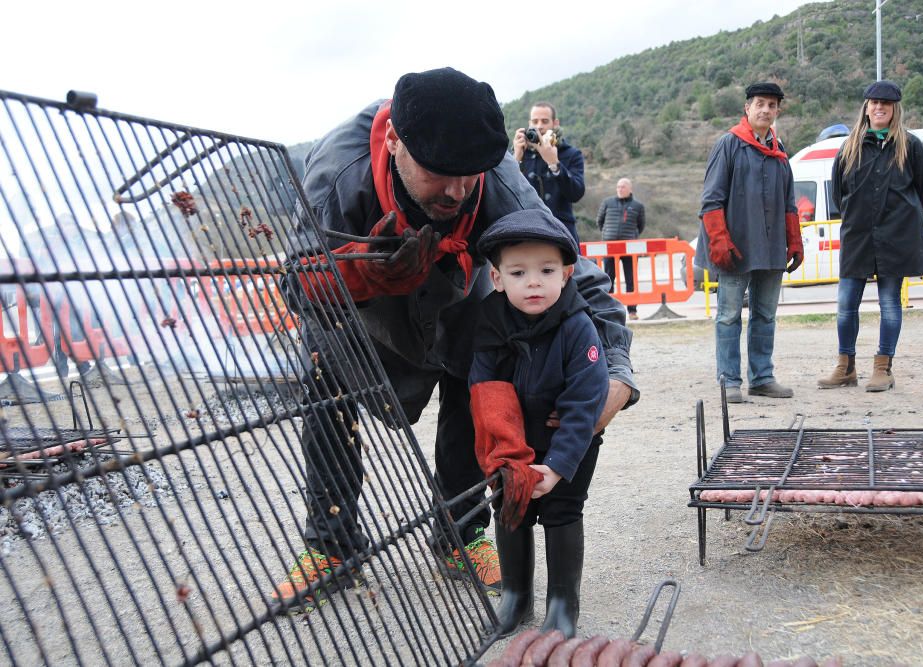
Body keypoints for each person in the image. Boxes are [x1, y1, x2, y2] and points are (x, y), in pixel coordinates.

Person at [275, 67, 638, 613]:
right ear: (395, 141)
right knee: (328, 390)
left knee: (479, 390)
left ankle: (460, 534)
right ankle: (333, 546)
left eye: (469, 175)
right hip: (357, 318)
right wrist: (366, 273)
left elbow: (572, 269)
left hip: (457, 303)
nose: (457, 190)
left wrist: (616, 369)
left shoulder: (495, 176)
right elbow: (296, 282)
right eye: (440, 174)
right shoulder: (339, 171)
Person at [471, 208, 608, 639]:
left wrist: (559, 463)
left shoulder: (577, 326)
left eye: (546, 270)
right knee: (511, 506)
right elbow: (485, 387)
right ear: (497, 279)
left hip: (568, 437)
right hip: (514, 439)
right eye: (518, 272)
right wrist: (504, 454)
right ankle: (515, 597)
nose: (533, 281)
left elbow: (586, 399)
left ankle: (563, 604)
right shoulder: (491, 322)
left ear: (567, 274)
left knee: (563, 508)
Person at [818, 80, 923, 392]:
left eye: (886, 103)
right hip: (857, 238)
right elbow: (838, 194)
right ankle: (845, 367)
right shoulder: (849, 147)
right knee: (845, 306)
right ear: (866, 107)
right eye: (874, 102)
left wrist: (897, 215)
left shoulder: (912, 147)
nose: (879, 107)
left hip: (896, 238)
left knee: (890, 304)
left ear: (895, 109)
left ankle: (884, 368)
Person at [694, 82, 803, 404]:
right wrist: (719, 241)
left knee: (765, 315)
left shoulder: (780, 152)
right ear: (747, 108)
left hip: (770, 248)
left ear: (777, 111)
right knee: (728, 315)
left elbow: (789, 203)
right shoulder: (728, 145)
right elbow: (711, 200)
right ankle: (729, 380)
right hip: (735, 247)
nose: (766, 110)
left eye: (772, 105)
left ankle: (762, 378)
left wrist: (794, 241)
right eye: (760, 104)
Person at [512, 103, 586, 246]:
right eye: (535, 121)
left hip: (562, 233)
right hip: (526, 233)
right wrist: (516, 159)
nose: (539, 126)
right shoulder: (520, 153)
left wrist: (554, 163)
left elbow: (576, 193)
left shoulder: (571, 154)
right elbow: (505, 194)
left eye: (545, 121)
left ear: (555, 123)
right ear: (529, 123)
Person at [596, 178, 646, 320]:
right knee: (609, 278)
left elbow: (641, 225)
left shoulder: (638, 206)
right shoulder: (607, 203)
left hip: (629, 247)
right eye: (618, 186)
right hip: (610, 247)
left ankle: (632, 311)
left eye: (623, 186)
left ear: (630, 189)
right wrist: (607, 235)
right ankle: (609, 310)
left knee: (631, 278)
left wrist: (632, 236)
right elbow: (599, 221)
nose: (620, 189)